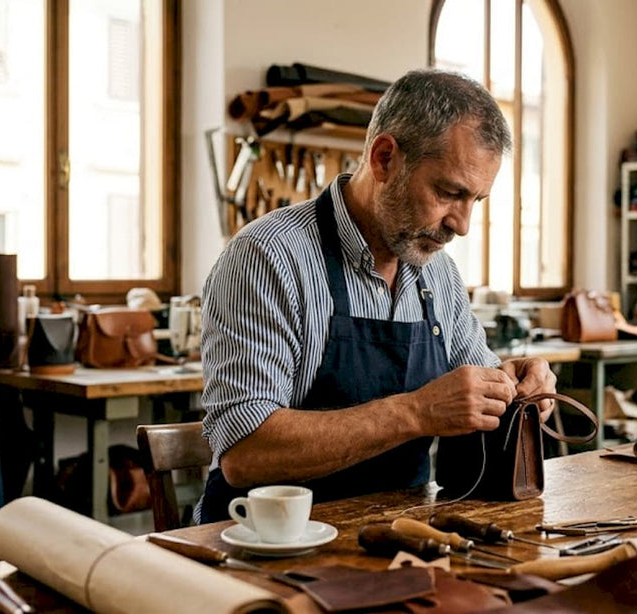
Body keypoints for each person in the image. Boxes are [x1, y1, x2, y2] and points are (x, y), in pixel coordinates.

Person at [197, 68, 557, 523]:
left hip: (396, 535)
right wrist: (417, 412)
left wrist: (517, 387)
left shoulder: (439, 274)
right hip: (265, 546)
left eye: (475, 202)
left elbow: (476, 389)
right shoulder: (268, 257)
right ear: (384, 158)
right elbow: (245, 454)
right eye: (449, 193)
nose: (461, 225)